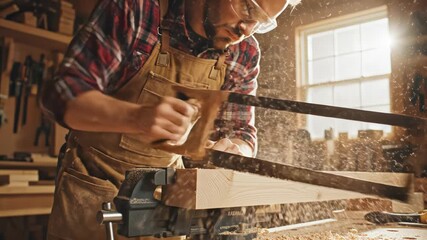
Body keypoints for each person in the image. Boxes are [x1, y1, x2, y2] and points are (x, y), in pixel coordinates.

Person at [41, 0, 294, 239]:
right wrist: (135, 117)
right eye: (248, 8)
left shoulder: (244, 52)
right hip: (94, 186)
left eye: (262, 22)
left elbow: (242, 131)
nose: (246, 30)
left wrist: (235, 150)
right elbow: (61, 94)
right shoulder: (138, 10)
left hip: (166, 197)